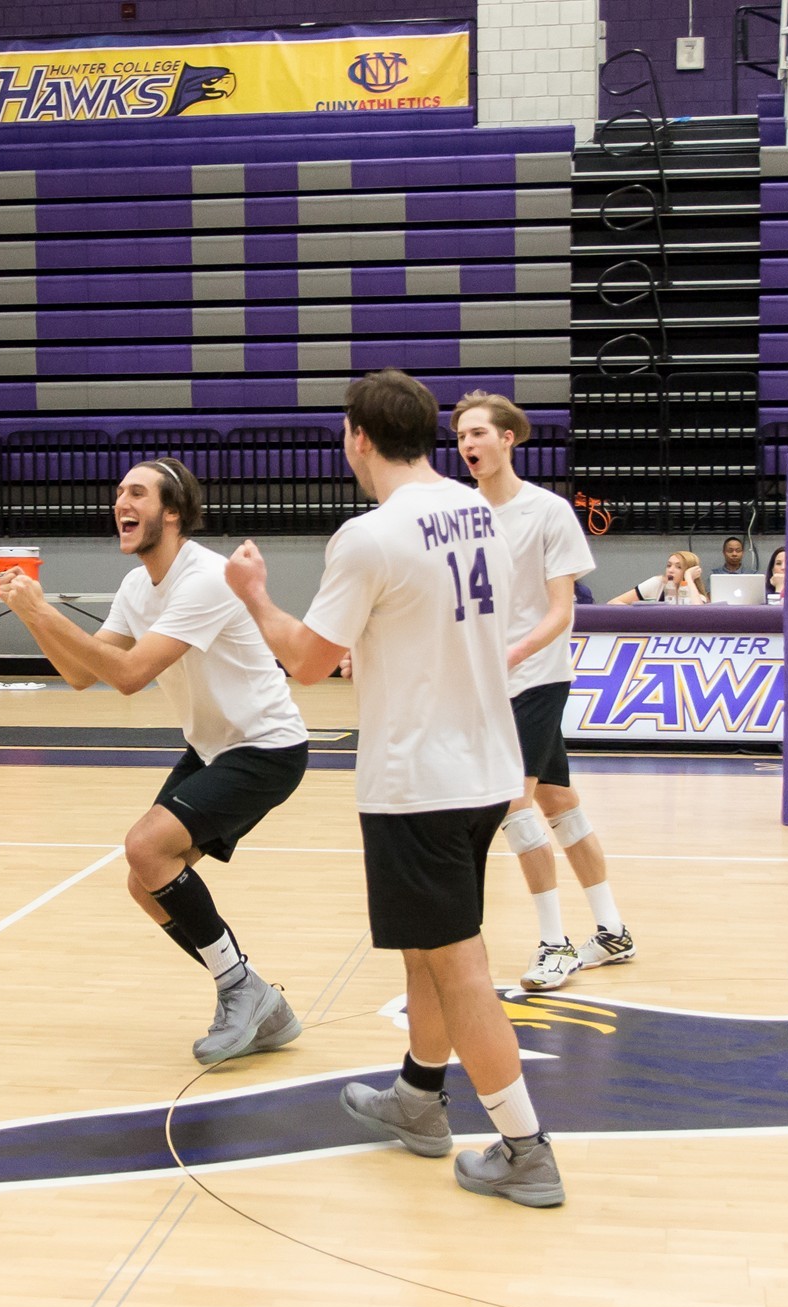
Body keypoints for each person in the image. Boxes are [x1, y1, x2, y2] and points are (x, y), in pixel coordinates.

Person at [225, 369, 564, 1208]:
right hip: (483, 763)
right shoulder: (477, 510)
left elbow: (306, 661)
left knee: (459, 963)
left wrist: (256, 599)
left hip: (422, 777)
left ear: (358, 437)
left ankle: (525, 1145)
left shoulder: (369, 536)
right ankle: (418, 1096)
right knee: (427, 943)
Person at [0, 458, 309, 1065]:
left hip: (266, 746)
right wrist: (31, 618)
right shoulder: (139, 587)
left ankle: (244, 991)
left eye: (136, 493)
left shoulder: (205, 578)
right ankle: (252, 996)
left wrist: (42, 611)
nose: (120, 502)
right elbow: (82, 674)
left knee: (145, 847)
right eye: (118, 493)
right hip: (217, 745)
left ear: (171, 511)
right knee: (147, 883)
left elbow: (132, 676)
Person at [454, 391, 633, 994]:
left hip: (535, 676)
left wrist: (515, 652)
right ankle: (610, 930)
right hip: (488, 682)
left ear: (508, 438)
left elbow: (563, 611)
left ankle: (555, 943)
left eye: (478, 433)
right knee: (558, 800)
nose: (468, 445)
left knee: (513, 802)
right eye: (460, 437)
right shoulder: (462, 515)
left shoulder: (548, 511)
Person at [608, 550, 707, 605]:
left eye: (679, 567)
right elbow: (613, 603)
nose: (670, 570)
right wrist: (640, 614)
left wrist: (689, 578)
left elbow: (700, 614)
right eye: (668, 565)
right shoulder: (657, 583)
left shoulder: (696, 596)